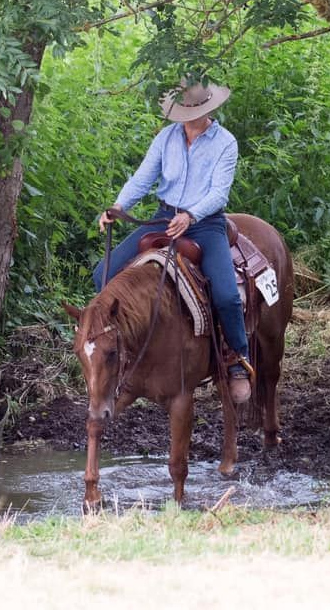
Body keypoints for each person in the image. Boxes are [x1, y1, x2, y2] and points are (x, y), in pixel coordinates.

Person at [93, 80, 251, 403]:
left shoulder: (225, 142)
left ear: (207, 109)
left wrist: (191, 215)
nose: (187, 119)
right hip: (164, 218)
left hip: (205, 224)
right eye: (183, 112)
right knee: (102, 275)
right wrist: (118, 207)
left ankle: (237, 359)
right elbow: (142, 178)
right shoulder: (166, 137)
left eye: (192, 112)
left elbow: (219, 193)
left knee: (226, 296)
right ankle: (119, 350)